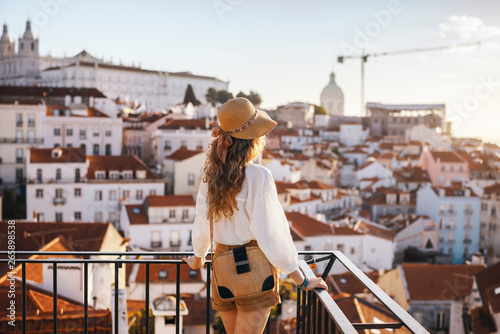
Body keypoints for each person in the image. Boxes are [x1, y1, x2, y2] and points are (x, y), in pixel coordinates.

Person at [183, 97, 328, 334]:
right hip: (254, 267)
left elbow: (201, 224)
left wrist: (198, 260)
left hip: (221, 265)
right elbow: (272, 235)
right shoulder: (259, 176)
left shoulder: (210, 178)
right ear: (252, 141)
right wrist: (301, 279)